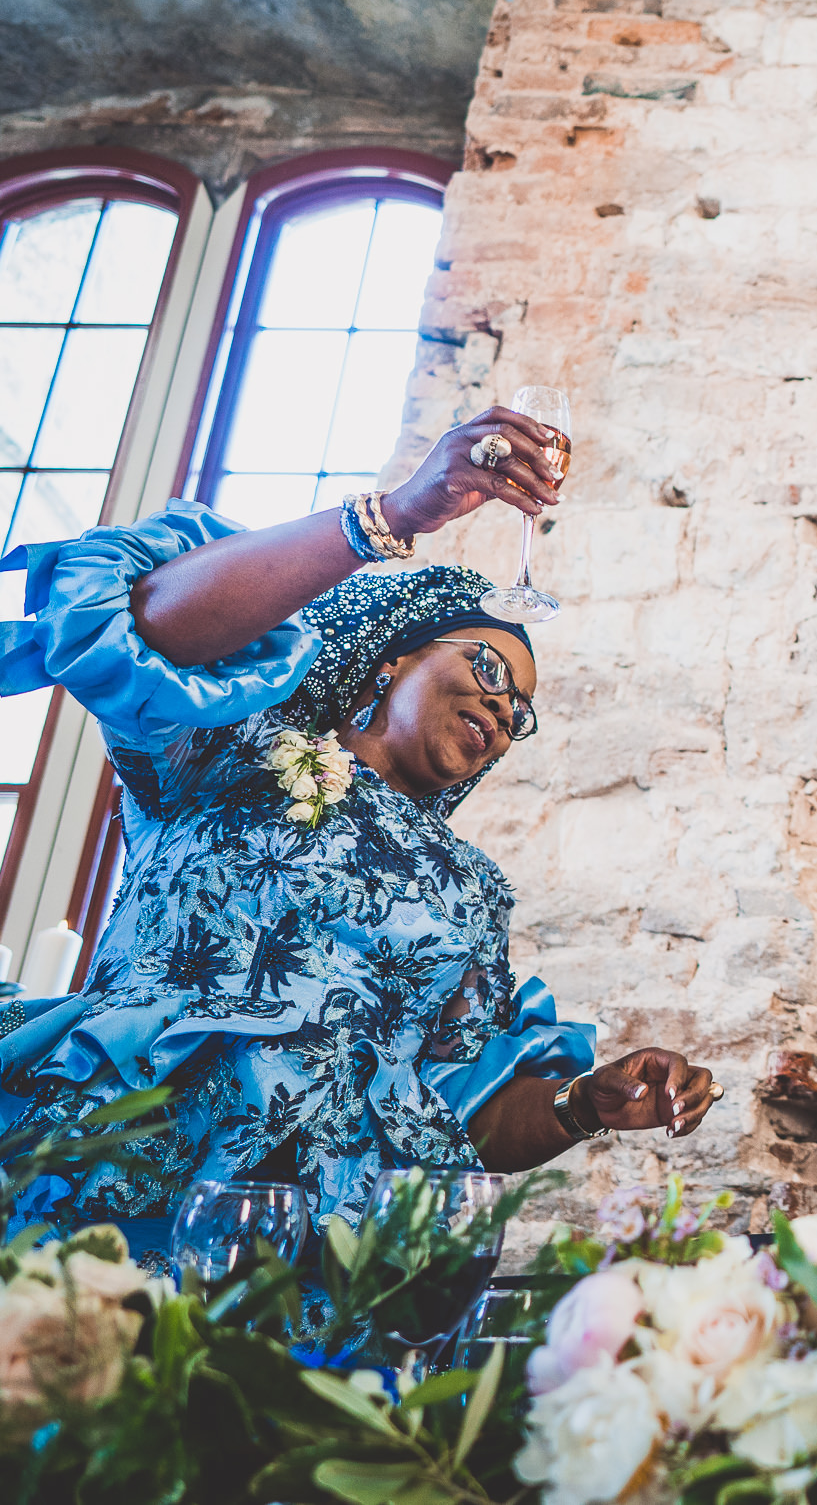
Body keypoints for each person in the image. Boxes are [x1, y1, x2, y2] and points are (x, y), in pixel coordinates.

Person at [0, 407, 720, 1258]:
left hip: (323, 1248)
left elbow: (458, 1106)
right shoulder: (233, 747)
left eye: (520, 707)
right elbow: (154, 621)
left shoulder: (473, 891)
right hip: (128, 1168)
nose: (503, 705)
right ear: (392, 660)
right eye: (489, 667)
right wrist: (394, 516)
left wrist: (584, 1103)